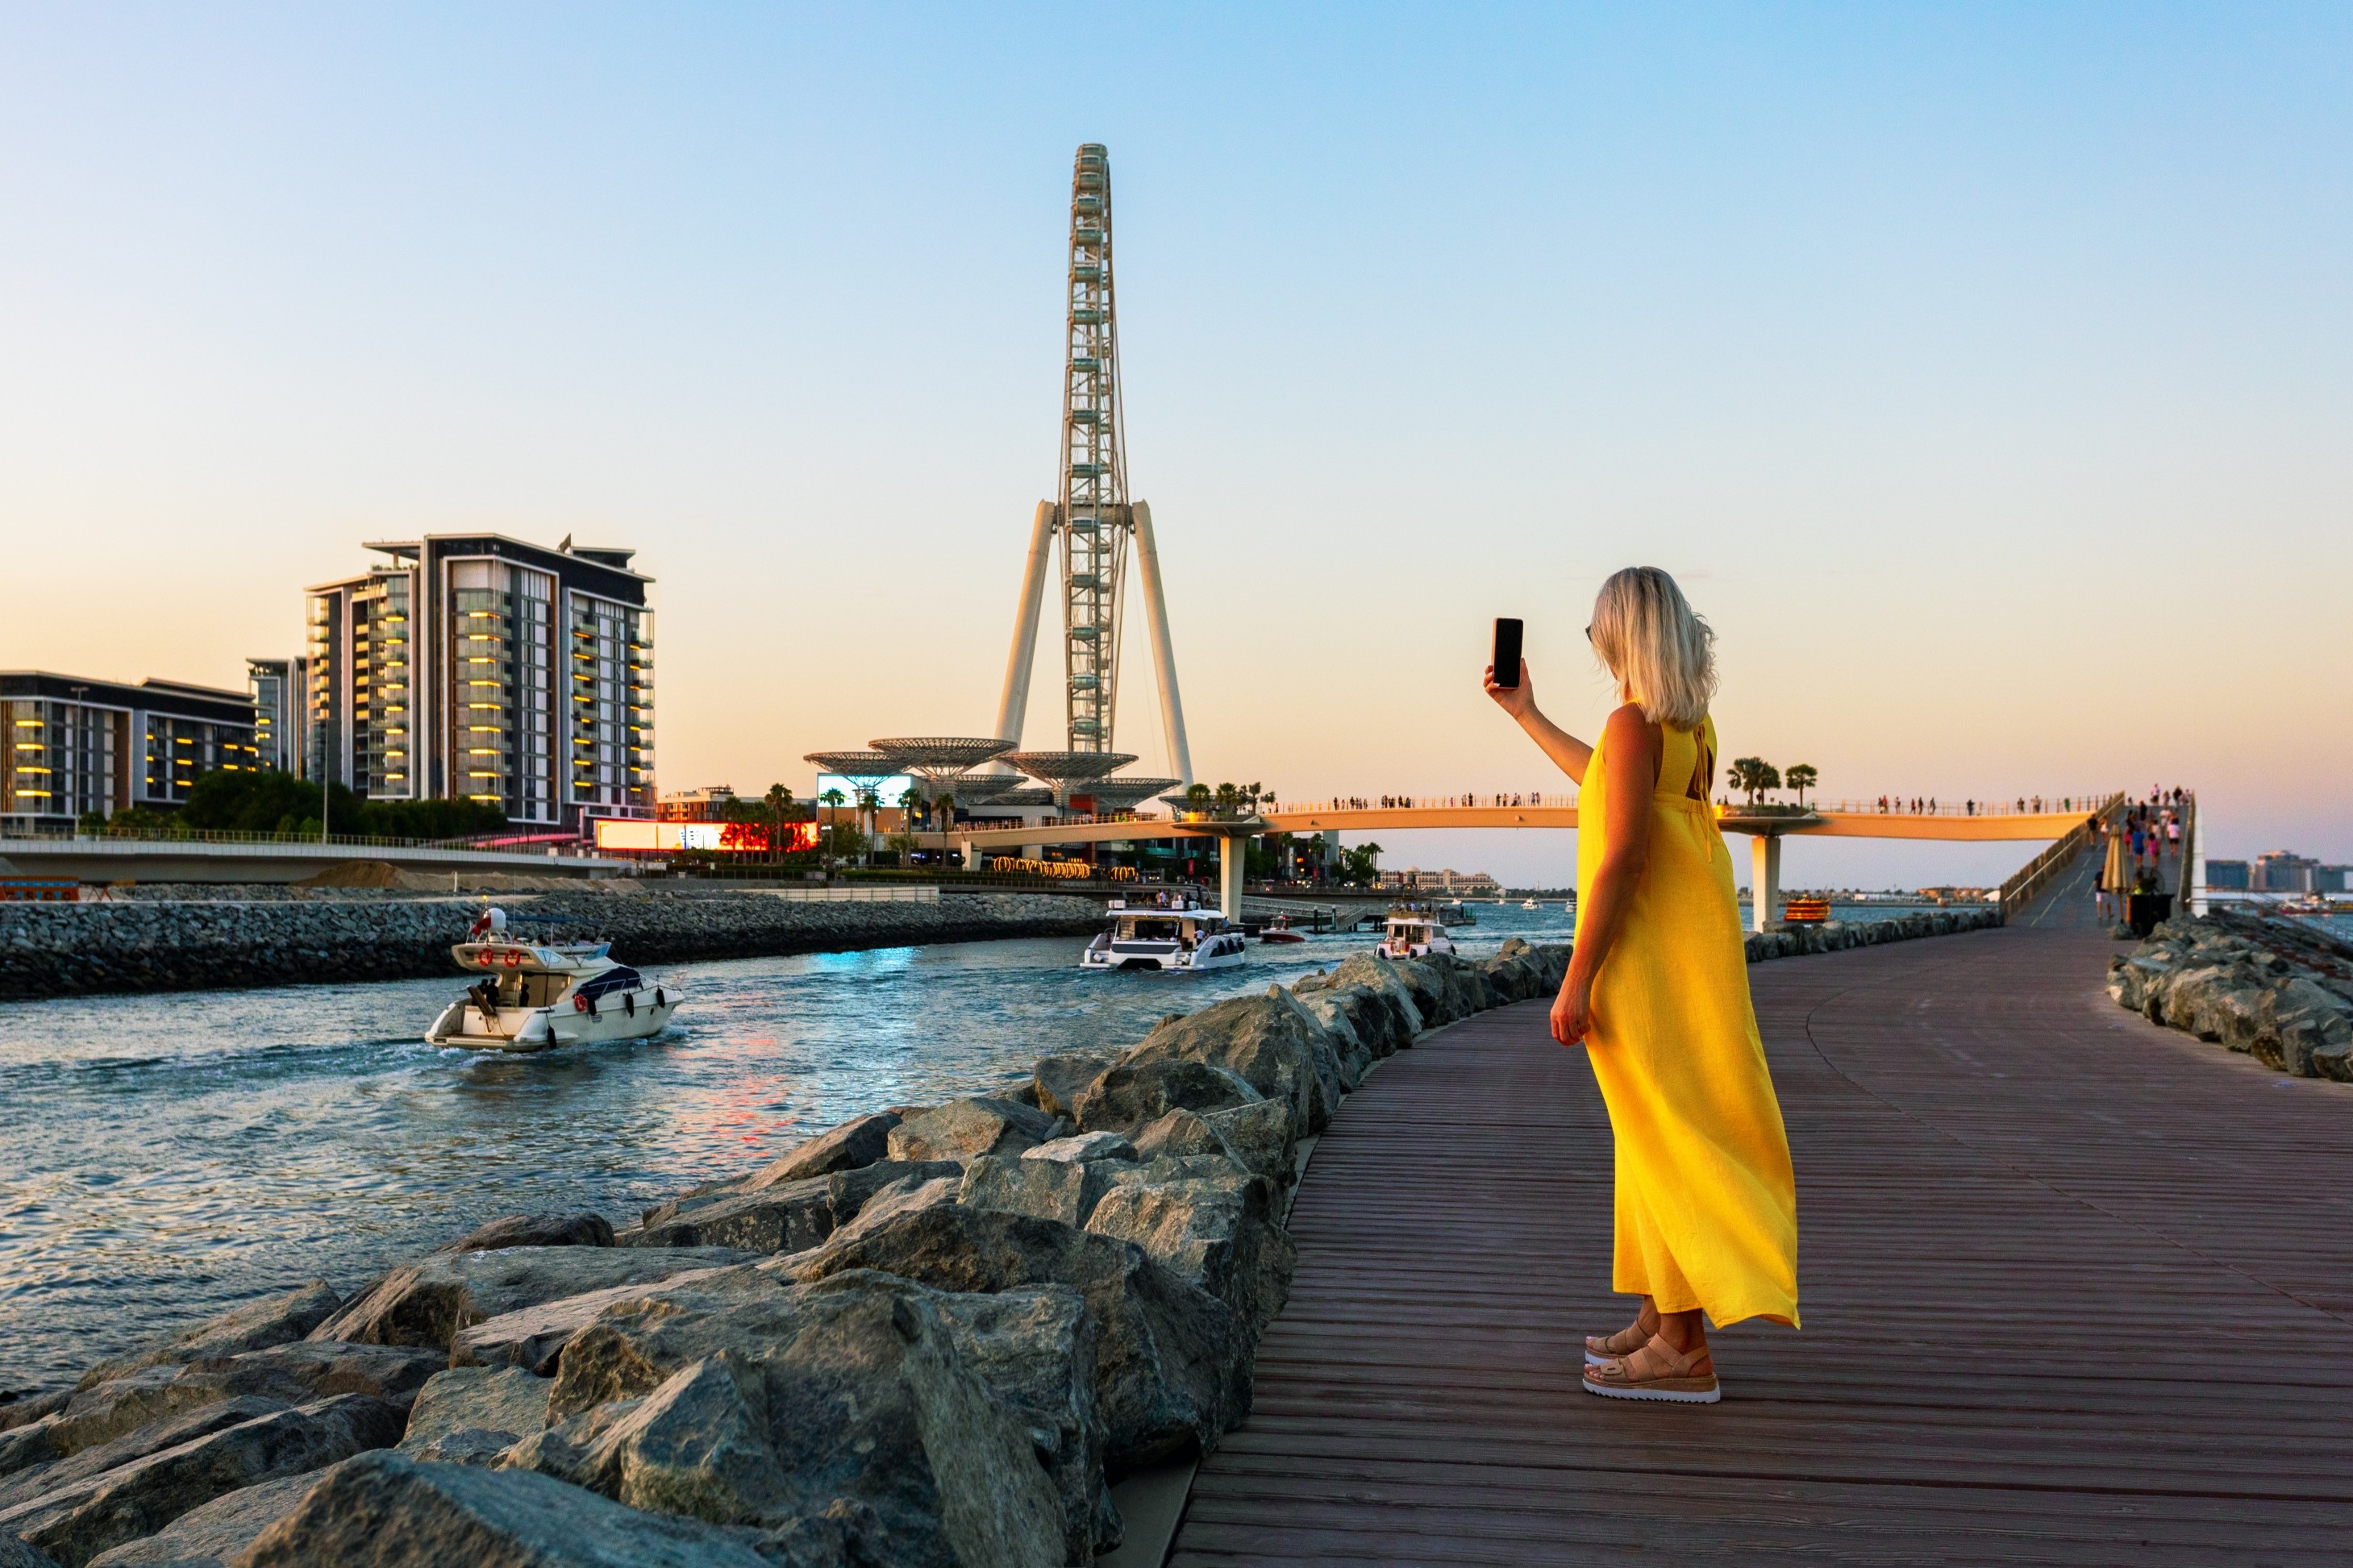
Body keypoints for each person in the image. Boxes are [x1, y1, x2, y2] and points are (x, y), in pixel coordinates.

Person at [1485, 565, 1799, 1405]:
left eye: (1595, 634)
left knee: (1667, 1139)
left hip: (1650, 962)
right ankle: (1662, 1317)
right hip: (1691, 957)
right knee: (1655, 1134)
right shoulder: (1686, 728)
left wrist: (1575, 976)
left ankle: (1685, 1350)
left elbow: (1620, 853)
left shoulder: (1633, 725)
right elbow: (1609, 783)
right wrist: (1526, 714)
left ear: (1623, 636)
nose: (1594, 648)